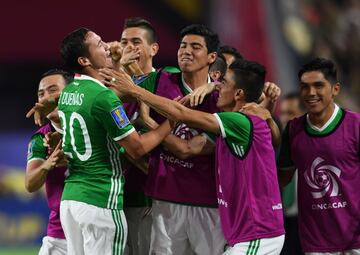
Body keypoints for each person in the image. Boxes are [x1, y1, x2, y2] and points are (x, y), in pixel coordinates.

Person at [100, 58, 285, 255]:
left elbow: (181, 114)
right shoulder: (238, 122)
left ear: (239, 93)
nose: (218, 88)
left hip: (257, 233)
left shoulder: (240, 122)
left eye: (223, 84)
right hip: (246, 233)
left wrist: (135, 90)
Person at [28, 27, 173, 255]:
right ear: (84, 59)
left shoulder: (69, 94)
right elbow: (137, 148)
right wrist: (173, 120)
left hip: (71, 202)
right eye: (98, 43)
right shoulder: (102, 97)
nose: (107, 45)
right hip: (100, 199)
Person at [277, 58, 360, 254]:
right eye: (305, 87)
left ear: (335, 89)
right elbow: (282, 178)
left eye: (318, 85)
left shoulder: (356, 125)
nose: (311, 93)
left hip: (355, 240)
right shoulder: (293, 129)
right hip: (316, 243)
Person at [119, 17, 159, 255]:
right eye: (124, 42)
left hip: (148, 198)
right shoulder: (112, 91)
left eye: (136, 41)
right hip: (115, 200)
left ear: (153, 48)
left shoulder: (165, 82)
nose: (129, 47)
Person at [25, 69, 73, 255]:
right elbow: (30, 184)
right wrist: (48, 164)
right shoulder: (40, 139)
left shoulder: (90, 125)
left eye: (53, 90)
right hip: (59, 235)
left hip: (93, 225)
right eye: (41, 94)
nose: (46, 98)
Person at [278, 93, 305, 255]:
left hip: (309, 221)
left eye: (291, 113)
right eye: (283, 113)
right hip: (282, 222)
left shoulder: (315, 145)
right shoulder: (275, 145)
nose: (285, 118)